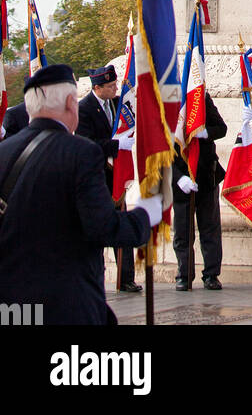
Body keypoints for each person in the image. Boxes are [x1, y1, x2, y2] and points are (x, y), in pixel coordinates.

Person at [0, 63, 161, 324]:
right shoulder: (81, 154)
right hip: (65, 306)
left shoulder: (4, 153)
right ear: (69, 103)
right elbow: (103, 227)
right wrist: (145, 216)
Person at [76, 63, 140, 294]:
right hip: (98, 179)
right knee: (98, 229)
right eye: (111, 86)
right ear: (97, 87)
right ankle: (96, 279)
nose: (115, 88)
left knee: (121, 226)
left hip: (117, 177)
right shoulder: (83, 108)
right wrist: (115, 146)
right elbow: (86, 144)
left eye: (115, 84)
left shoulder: (117, 103)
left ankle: (126, 278)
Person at [171, 90, 227, 291]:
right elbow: (160, 146)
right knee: (183, 232)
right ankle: (184, 275)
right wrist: (178, 178)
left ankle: (211, 274)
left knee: (210, 228)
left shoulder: (201, 97)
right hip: (180, 176)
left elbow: (221, 128)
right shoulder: (167, 100)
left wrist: (205, 133)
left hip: (205, 175)